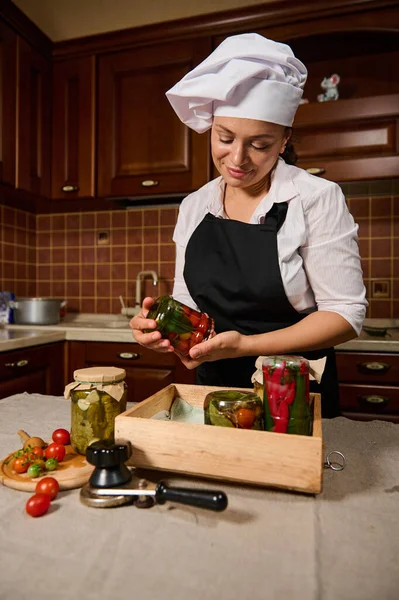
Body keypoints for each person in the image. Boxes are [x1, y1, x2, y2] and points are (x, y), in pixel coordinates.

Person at [130, 33, 367, 417]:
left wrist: (245, 345)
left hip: (295, 393)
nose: (237, 158)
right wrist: (162, 334)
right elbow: (190, 303)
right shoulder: (194, 206)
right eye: (225, 138)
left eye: (259, 144)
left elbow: (344, 315)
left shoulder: (315, 198)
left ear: (284, 139)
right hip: (215, 393)